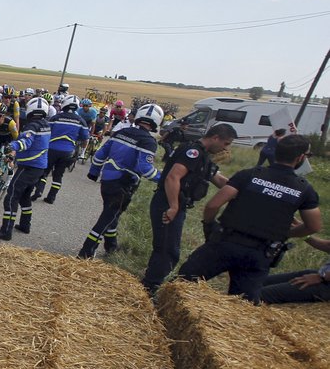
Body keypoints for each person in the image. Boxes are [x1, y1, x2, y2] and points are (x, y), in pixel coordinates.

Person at [177, 134, 322, 303]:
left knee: (183, 283)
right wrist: (287, 233)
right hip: (259, 253)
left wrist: (209, 225)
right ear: (300, 158)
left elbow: (213, 205)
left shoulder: (249, 175)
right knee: (242, 305)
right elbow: (313, 226)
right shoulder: (304, 189)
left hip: (225, 242)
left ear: (275, 152)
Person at [140, 123, 236, 296]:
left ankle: (149, 286)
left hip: (176, 204)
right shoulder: (193, 152)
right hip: (169, 203)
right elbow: (172, 177)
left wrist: (241, 188)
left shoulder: (203, 156)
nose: (225, 148)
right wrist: (173, 206)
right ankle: (148, 289)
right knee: (167, 251)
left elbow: (219, 179)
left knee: (167, 248)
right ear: (215, 138)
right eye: (226, 143)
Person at [77, 104, 162, 259]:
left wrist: (94, 172)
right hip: (124, 185)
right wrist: (164, 179)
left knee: (113, 215)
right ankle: (86, 252)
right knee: (107, 217)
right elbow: (146, 169)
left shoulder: (120, 132)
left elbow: (99, 155)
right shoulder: (148, 141)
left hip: (107, 181)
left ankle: (111, 246)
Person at [0, 97, 50, 240]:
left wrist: (13, 146)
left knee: (11, 197)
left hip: (29, 166)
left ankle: (6, 231)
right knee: (24, 197)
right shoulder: (46, 125)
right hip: (39, 167)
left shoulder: (32, 126)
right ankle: (25, 225)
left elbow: (25, 142)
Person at [32, 94, 89, 204]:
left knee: (44, 171)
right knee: (58, 175)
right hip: (67, 152)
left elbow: (46, 131)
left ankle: (39, 190)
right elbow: (85, 138)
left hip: (52, 148)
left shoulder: (56, 117)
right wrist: (80, 150)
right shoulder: (81, 120)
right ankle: (51, 197)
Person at [259, 235, 330, 303]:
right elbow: (327, 246)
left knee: (259, 294)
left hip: (326, 282)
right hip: (323, 274)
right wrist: (305, 233)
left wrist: (321, 277)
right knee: (255, 283)